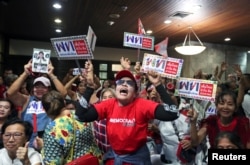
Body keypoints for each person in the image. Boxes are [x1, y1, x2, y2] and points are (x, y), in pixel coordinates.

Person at [75, 59, 179, 165]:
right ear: (116, 89)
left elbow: (173, 113)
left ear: (134, 93)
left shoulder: (141, 104)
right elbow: (80, 116)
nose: (124, 84)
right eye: (120, 82)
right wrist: (90, 88)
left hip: (137, 160)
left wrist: (158, 84)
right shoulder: (109, 104)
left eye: (129, 83)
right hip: (114, 158)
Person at [6, 60, 67, 148]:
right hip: (27, 141)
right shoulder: (27, 100)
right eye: (37, 86)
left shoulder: (53, 101)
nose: (39, 89)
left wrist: (51, 74)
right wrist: (25, 73)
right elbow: (10, 94)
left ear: (49, 89)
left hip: (47, 139)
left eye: (43, 87)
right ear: (33, 88)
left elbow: (63, 93)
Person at [41, 90, 102, 165]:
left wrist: (44, 149)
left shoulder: (52, 130)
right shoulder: (80, 115)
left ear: (45, 110)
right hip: (93, 161)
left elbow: (53, 162)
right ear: (64, 102)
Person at [93, 88, 116, 154]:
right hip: (101, 153)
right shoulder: (97, 113)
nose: (107, 100)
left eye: (110, 97)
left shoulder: (119, 115)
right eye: (104, 97)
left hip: (114, 155)